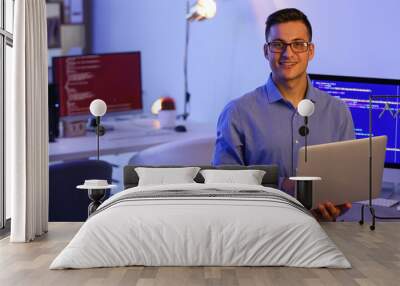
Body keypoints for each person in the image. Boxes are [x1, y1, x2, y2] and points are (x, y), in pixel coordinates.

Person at [212, 8, 355, 220]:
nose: (288, 54)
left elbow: (347, 180)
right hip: (259, 234)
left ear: (311, 51)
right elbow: (221, 185)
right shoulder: (238, 113)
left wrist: (340, 202)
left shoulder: (337, 111)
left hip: (322, 233)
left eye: (298, 44)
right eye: (278, 45)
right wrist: (283, 187)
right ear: (266, 51)